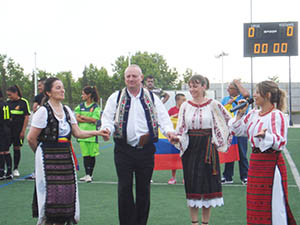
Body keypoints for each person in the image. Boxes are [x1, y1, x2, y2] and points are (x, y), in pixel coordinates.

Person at [100, 64, 177, 225]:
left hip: (146, 151)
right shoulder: (116, 97)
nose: (131, 79)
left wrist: (169, 131)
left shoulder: (152, 97)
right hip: (123, 150)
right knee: (124, 189)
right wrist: (106, 129)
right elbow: (107, 118)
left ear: (141, 78)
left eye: (134, 76)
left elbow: (163, 118)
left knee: (144, 190)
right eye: (128, 76)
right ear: (124, 79)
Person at [27, 77, 105, 225]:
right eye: (58, 88)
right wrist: (41, 154)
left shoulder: (67, 110)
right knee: (49, 195)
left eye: (62, 87)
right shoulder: (43, 111)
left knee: (67, 194)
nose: (62, 90)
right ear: (48, 92)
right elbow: (31, 138)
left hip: (65, 156)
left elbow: (78, 133)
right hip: (47, 159)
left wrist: (98, 133)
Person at [229, 80, 296, 225]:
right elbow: (237, 130)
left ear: (267, 95)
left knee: (273, 203)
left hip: (270, 165)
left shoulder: (277, 115)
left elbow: (281, 142)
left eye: (257, 92)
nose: (254, 95)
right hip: (255, 163)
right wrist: (240, 114)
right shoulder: (253, 114)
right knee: (255, 203)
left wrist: (266, 136)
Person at [172, 75, 232, 225]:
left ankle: (205, 223)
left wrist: (218, 139)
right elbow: (181, 128)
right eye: (190, 86)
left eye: (195, 86)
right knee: (192, 186)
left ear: (204, 86)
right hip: (191, 148)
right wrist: (177, 138)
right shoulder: (185, 106)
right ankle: (194, 223)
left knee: (207, 186)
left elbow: (228, 121)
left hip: (208, 149)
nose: (192, 90)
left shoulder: (214, 104)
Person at [221, 79, 249, 185]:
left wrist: (237, 83)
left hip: (241, 129)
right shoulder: (225, 99)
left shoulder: (241, 98)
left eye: (230, 88)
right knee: (230, 152)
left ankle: (245, 176)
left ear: (236, 89)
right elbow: (220, 111)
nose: (228, 89)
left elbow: (246, 94)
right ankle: (227, 176)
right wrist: (228, 104)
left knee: (242, 153)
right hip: (229, 129)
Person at [74, 86, 101, 183]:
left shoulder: (95, 107)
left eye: (84, 94)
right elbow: (76, 117)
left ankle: (91, 174)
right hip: (82, 135)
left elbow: (94, 120)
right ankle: (87, 174)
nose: (82, 96)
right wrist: (86, 118)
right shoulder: (80, 106)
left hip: (92, 135)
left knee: (91, 155)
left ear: (89, 95)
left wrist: (83, 117)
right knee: (85, 155)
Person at [6, 85, 31, 177]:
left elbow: (26, 117)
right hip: (8, 131)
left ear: (16, 93)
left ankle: (15, 168)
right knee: (5, 150)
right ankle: (7, 169)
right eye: (8, 95)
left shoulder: (23, 102)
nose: (9, 97)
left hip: (18, 130)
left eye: (10, 95)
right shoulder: (7, 103)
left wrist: (23, 131)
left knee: (17, 148)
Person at [167, 93, 186, 184]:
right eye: (183, 100)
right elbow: (166, 122)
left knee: (185, 157)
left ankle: (185, 177)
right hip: (174, 138)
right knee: (174, 157)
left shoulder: (186, 110)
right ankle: (173, 177)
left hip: (184, 138)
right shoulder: (171, 110)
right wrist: (173, 117)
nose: (185, 102)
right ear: (178, 100)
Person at [0, 89, 12, 180]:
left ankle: (1, 172)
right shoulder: (6, 104)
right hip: (7, 129)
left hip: (1, 129)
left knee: (1, 152)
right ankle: (9, 172)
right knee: (6, 151)